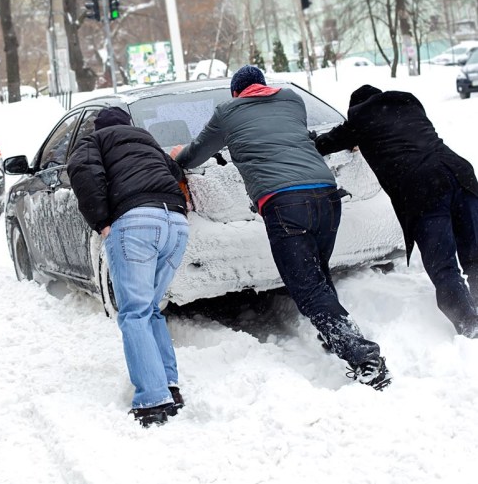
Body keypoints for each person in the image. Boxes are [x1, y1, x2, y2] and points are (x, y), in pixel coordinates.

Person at [171, 65, 391, 390]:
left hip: (285, 204)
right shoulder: (292, 100)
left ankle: (363, 357)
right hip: (327, 197)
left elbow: (195, 155)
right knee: (317, 274)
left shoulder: (227, 112)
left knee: (307, 289)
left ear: (236, 93)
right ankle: (335, 335)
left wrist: (178, 157)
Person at [314, 85, 478, 338]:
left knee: (443, 265)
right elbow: (400, 132)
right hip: (459, 172)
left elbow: (323, 144)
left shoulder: (359, 119)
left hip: (424, 187)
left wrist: (349, 137)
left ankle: (469, 325)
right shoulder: (409, 103)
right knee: (474, 254)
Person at [67, 106, 190, 427]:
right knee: (150, 309)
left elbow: (82, 171)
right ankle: (169, 386)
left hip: (136, 223)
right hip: (176, 224)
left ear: (99, 127)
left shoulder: (94, 141)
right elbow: (175, 172)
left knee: (134, 313)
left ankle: (152, 399)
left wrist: (100, 220)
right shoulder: (147, 140)